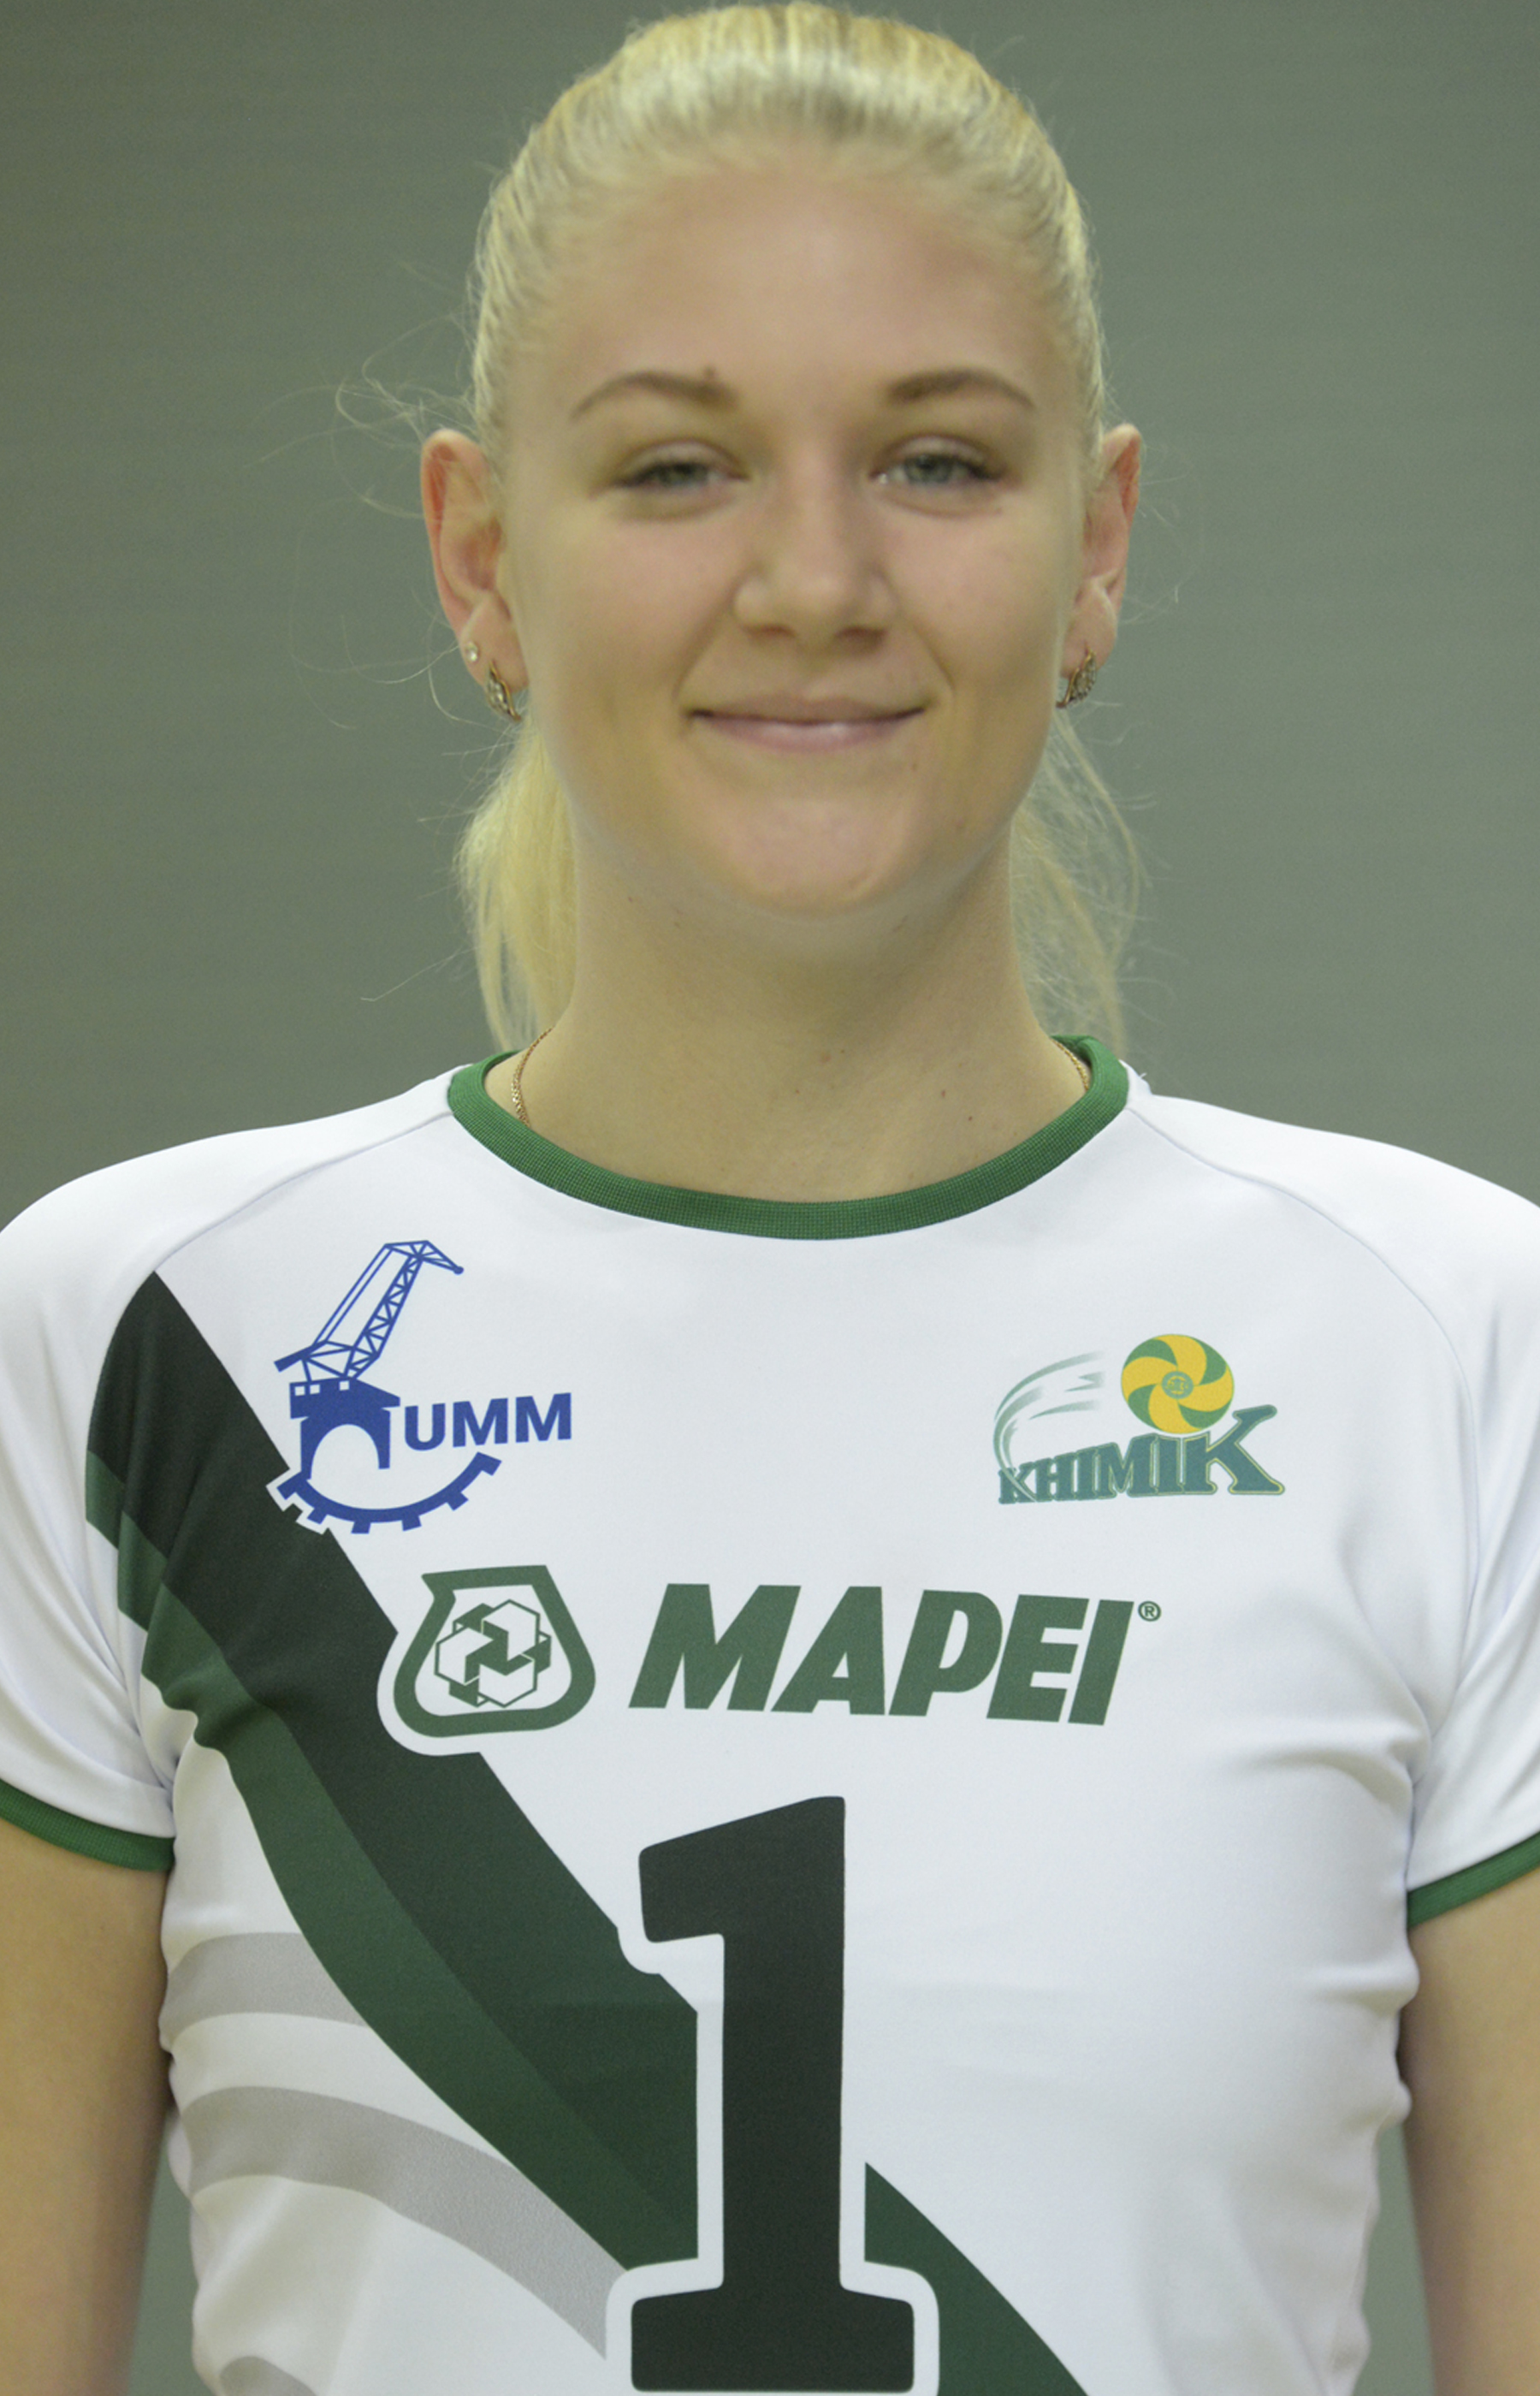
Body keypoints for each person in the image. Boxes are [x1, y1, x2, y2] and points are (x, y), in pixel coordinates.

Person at [1, 4, 1537, 2391]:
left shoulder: (1452, 1346)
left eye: (937, 461)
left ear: (1098, 546)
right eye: (676, 469)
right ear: (479, 557)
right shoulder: (136, 1345)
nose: (815, 578)